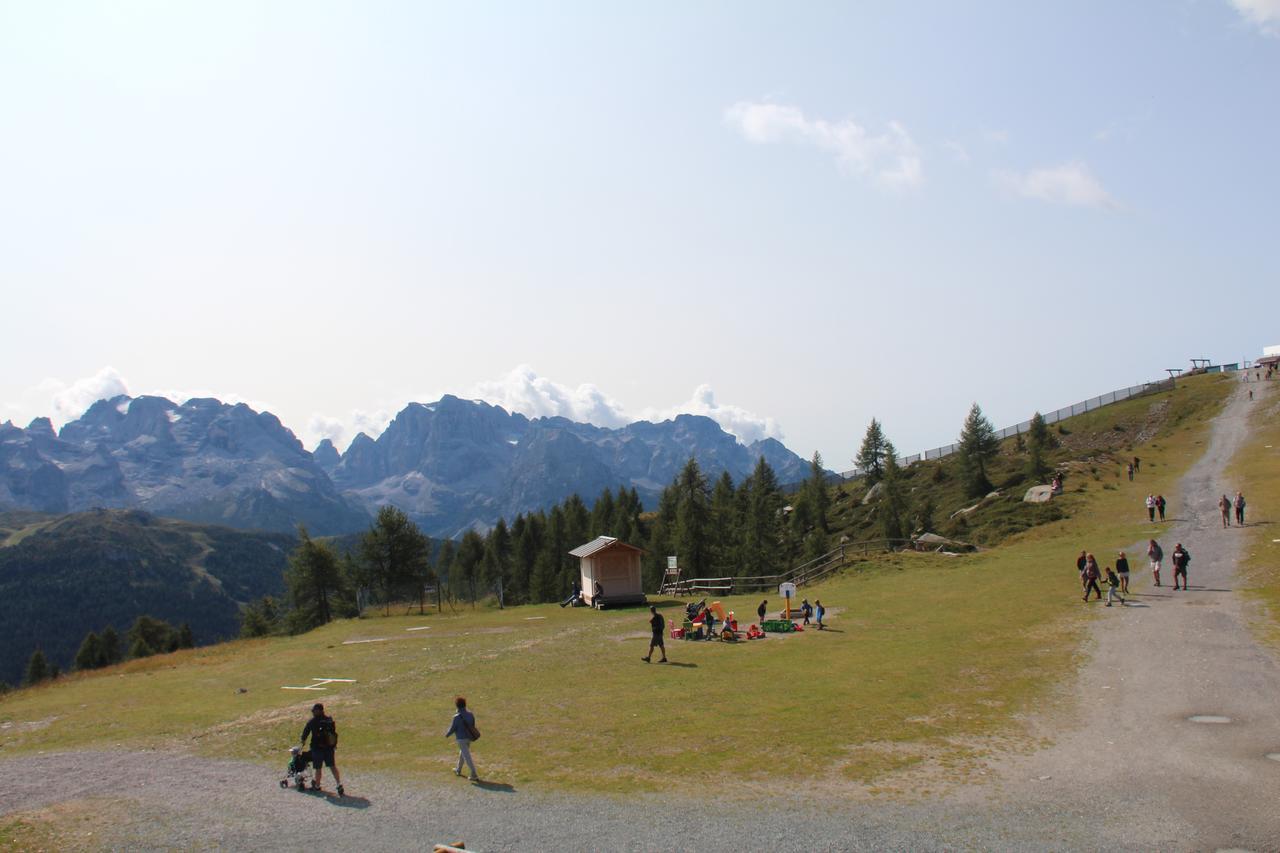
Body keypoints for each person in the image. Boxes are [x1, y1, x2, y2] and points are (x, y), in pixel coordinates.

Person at [300, 703, 344, 796]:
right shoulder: (329, 720)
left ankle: (317, 786)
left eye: (314, 710)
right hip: (329, 748)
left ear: (318, 711)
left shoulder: (312, 722)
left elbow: (305, 733)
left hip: (317, 748)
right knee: (332, 766)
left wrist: (303, 740)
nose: (312, 712)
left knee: (318, 768)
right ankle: (339, 784)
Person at [444, 696, 479, 781]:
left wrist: (447, 734)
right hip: (469, 737)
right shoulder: (470, 714)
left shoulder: (456, 717)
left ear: (457, 706)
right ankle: (458, 769)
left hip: (461, 739)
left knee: (466, 756)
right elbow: (473, 725)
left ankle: (474, 774)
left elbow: (452, 728)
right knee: (463, 753)